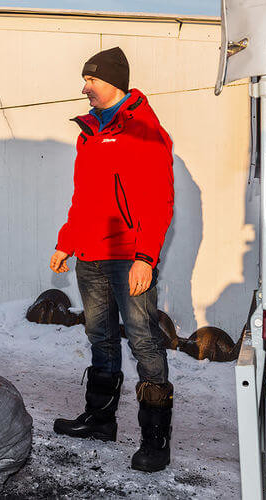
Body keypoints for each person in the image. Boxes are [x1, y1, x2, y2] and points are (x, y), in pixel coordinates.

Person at [49, 47, 175, 472]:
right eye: (85, 80)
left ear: (114, 82)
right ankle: (101, 420)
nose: (85, 88)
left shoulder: (145, 130)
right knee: (99, 337)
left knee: (143, 340)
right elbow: (83, 199)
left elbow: (159, 200)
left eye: (92, 80)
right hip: (91, 256)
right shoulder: (89, 134)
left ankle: (155, 440)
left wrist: (145, 256)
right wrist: (66, 241)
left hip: (128, 257)